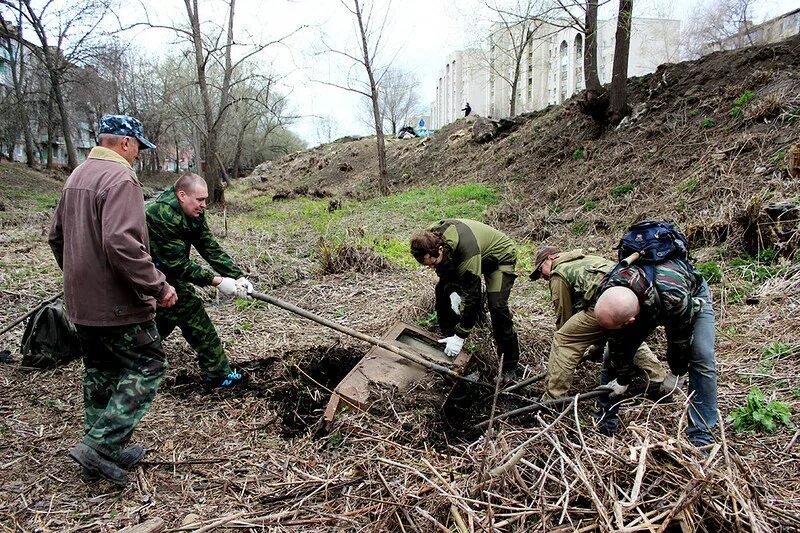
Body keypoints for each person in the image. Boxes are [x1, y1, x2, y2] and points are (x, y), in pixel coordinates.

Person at [48, 114, 178, 486]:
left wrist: (78, 277)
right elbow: (122, 242)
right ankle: (101, 445)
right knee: (149, 364)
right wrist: (158, 285)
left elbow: (56, 236)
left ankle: (102, 450)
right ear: (124, 143)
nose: (138, 155)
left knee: (101, 371)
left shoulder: (77, 176)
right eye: (138, 147)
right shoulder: (120, 178)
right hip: (118, 304)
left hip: (81, 303)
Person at [593, 258, 717, 447]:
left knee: (701, 356)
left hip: (686, 294)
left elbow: (680, 339)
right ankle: (605, 426)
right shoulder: (607, 289)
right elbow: (617, 341)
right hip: (646, 301)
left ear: (632, 320)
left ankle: (701, 436)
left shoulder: (675, 298)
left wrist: (677, 372)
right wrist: (622, 379)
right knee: (611, 355)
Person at [145, 172, 252, 388]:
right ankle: (218, 373)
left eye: (205, 199)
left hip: (167, 273)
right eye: (200, 200)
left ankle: (135, 354)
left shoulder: (193, 210)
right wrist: (218, 281)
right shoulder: (160, 214)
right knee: (191, 312)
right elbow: (177, 264)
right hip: (149, 274)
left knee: (166, 316)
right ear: (182, 195)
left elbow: (208, 246)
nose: (204, 205)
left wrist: (237, 275)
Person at [530, 246, 665, 400]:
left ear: (552, 258)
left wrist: (577, 339)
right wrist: (597, 343)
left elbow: (564, 315)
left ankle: (554, 398)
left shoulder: (558, 273)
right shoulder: (588, 258)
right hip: (634, 298)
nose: (541, 276)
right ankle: (658, 380)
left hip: (607, 303)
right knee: (628, 336)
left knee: (564, 340)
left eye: (540, 269)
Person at [410, 219, 519, 380]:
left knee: (497, 306)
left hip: (499, 258)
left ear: (440, 250)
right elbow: (443, 269)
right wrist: (452, 291)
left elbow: (472, 294)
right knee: (442, 291)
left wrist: (461, 336)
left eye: (433, 263)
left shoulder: (465, 249)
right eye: (428, 266)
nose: (432, 268)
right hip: (467, 256)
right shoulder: (429, 239)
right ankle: (448, 346)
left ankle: (510, 366)